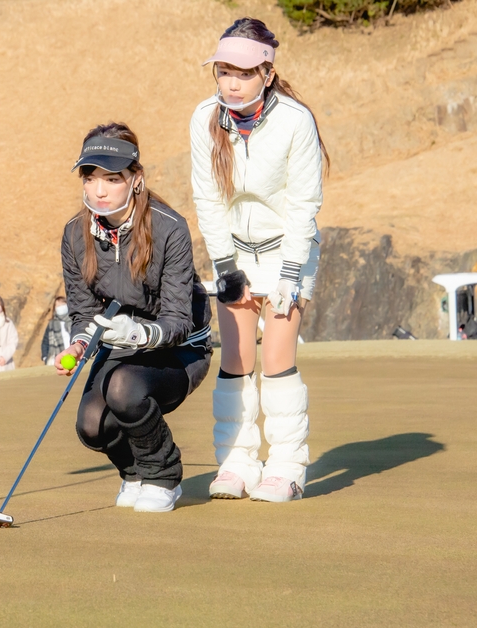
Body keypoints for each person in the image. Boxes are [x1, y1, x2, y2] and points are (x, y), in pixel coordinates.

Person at [190, 17, 329, 502]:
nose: (232, 83)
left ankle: (287, 467)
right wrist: (226, 268)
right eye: (224, 71)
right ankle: (237, 463)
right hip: (235, 254)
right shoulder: (204, 117)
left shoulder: (295, 119)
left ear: (267, 74)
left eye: (244, 73)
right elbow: (208, 201)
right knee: (236, 359)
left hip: (289, 251)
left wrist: (289, 275)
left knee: (275, 360)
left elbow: (304, 205)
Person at [54, 123, 213, 513]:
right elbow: (84, 311)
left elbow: (179, 321)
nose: (99, 190)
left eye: (112, 179)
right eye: (90, 178)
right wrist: (79, 344)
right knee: (92, 426)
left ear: (136, 178)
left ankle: (163, 476)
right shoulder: (74, 234)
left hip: (179, 350)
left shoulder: (169, 228)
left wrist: (137, 333)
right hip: (119, 346)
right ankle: (135, 473)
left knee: (123, 389)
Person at [40, 296, 72, 366]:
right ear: (55, 308)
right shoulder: (51, 324)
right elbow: (45, 341)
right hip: (56, 358)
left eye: (62, 304)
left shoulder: (74, 320)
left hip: (73, 353)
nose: (61, 307)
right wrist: (45, 357)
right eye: (58, 305)